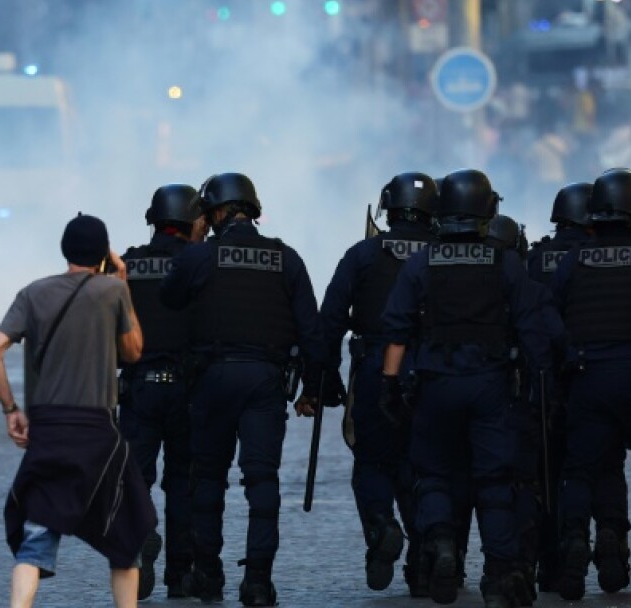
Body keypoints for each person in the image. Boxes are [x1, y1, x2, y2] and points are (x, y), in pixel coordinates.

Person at [380, 168, 560, 608]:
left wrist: (388, 383)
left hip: (436, 383)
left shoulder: (422, 262)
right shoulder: (507, 263)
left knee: (435, 473)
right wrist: (540, 387)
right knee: (495, 482)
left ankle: (442, 544)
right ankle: (499, 577)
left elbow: (398, 329)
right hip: (490, 385)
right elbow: (532, 332)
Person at [161, 172, 328, 606]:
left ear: (214, 213)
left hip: (212, 380)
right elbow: (312, 332)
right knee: (262, 480)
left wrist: (195, 246)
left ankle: (208, 575)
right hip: (265, 382)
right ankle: (257, 581)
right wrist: (313, 388)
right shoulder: (285, 259)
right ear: (251, 209)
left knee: (208, 480)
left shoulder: (200, 258)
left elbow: (170, 297)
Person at [0, 212, 153, 608]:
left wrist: (11, 410)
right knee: (127, 530)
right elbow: (133, 352)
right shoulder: (113, 291)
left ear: (64, 250)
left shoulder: (33, 293)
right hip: (97, 430)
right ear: (103, 254)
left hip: (47, 429)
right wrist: (123, 279)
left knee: (36, 534)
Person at [551, 168, 631, 600]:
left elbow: (552, 319)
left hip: (588, 380)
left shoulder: (572, 262)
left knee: (581, 472)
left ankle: (571, 549)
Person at [318, 171, 436, 593]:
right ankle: (426, 561)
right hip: (433, 369)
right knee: (424, 467)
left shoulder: (363, 254)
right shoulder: (445, 253)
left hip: (373, 366)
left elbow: (330, 318)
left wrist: (322, 377)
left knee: (371, 459)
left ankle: (381, 527)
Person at [525, 182, 629, 595]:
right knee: (604, 465)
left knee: (551, 474)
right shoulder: (606, 256)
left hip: (547, 382)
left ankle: (556, 557)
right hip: (597, 373)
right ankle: (611, 543)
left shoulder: (535, 259)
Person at [118, 185, 201, 599]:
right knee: (183, 483)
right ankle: (182, 573)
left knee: (136, 479)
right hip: (188, 389)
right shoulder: (201, 263)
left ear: (154, 220)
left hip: (138, 388)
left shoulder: (126, 264)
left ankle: (141, 539)